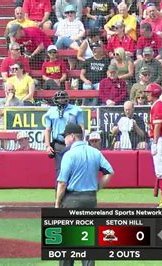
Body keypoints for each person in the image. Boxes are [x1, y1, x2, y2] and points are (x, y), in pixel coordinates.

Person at [55, 123, 114, 266]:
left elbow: (62, 183)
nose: (65, 140)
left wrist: (57, 204)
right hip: (90, 199)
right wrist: (97, 187)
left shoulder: (69, 155)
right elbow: (110, 172)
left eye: (66, 137)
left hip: (72, 200)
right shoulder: (95, 152)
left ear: (73, 137)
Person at [143, 83, 162, 208]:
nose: (147, 94)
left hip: (161, 140)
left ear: (154, 93)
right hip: (161, 139)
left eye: (149, 92)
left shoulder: (158, 105)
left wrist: (154, 143)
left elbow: (157, 126)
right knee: (160, 172)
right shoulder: (157, 105)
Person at [44, 91, 84, 177]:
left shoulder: (76, 110)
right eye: (58, 98)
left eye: (62, 98)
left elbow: (81, 128)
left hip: (73, 144)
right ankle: (59, 189)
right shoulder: (51, 112)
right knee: (60, 169)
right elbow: (47, 130)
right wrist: (47, 145)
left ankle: (73, 189)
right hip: (59, 143)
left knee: (74, 167)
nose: (61, 100)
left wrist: (81, 142)